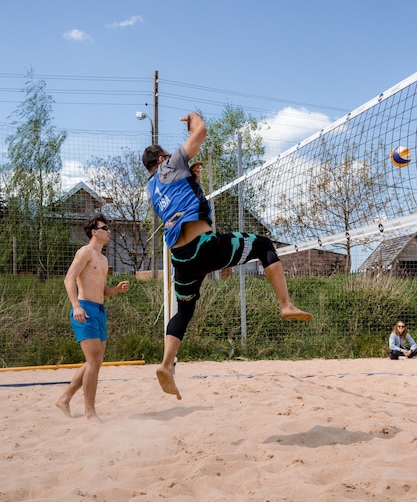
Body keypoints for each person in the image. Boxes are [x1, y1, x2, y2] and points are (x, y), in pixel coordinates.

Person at [142, 111, 313, 400]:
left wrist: (193, 180)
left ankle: (167, 364)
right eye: (169, 155)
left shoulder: (151, 188)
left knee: (184, 311)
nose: (173, 156)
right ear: (161, 160)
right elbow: (201, 132)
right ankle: (285, 304)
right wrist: (194, 118)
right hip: (203, 247)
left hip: (180, 259)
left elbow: (182, 199)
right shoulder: (169, 165)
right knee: (264, 245)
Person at [55, 214, 129, 421]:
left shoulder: (104, 259)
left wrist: (116, 290)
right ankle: (90, 413)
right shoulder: (85, 252)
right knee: (94, 361)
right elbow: (68, 279)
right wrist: (76, 306)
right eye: (105, 228)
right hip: (84, 309)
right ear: (94, 232)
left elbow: (102, 289)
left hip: (99, 310)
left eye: (109, 228)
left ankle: (64, 399)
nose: (109, 231)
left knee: (94, 363)